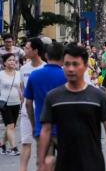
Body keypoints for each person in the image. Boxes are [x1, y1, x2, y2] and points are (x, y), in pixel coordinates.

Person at [38, 44, 106, 171]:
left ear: (86, 66)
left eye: (75, 64)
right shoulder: (53, 97)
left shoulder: (98, 96)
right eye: (67, 64)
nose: (70, 69)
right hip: (64, 163)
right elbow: (46, 130)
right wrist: (42, 161)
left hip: (93, 163)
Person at [24, 42, 66, 170]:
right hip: (65, 129)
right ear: (64, 57)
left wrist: (33, 124)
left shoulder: (34, 75)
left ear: (46, 55)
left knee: (44, 166)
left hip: (42, 128)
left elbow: (28, 103)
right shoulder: (67, 76)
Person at [19, 37, 45, 170]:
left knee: (43, 144)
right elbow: (22, 90)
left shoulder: (45, 68)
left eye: (27, 48)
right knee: (25, 143)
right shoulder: (23, 69)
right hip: (25, 112)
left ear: (35, 51)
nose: (25, 50)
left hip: (42, 113)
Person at [0, 53, 22, 156]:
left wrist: (23, 100)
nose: (12, 62)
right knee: (10, 126)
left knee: (11, 126)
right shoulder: (1, 74)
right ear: (4, 63)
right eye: (9, 60)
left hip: (16, 103)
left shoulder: (18, 74)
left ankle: (2, 144)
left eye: (14, 60)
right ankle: (14, 148)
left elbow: (20, 88)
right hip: (5, 103)